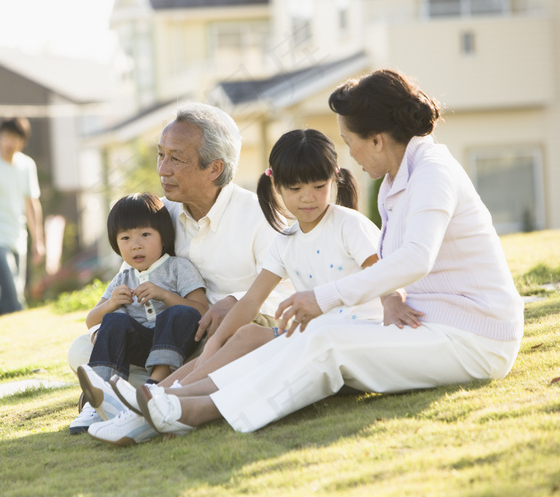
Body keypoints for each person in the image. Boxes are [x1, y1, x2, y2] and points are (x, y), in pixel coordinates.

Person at [134, 69, 524, 436]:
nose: (348, 152)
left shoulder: (433, 172)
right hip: (428, 323)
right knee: (313, 333)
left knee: (328, 340)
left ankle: (196, 411)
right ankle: (173, 397)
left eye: (350, 139)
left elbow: (416, 259)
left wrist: (322, 299)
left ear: (376, 139)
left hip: (476, 337)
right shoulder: (396, 179)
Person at [91, 128, 421, 446]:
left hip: (350, 334)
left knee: (243, 352)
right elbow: (251, 302)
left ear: (334, 179)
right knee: (244, 334)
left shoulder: (348, 225)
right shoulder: (287, 239)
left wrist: (393, 300)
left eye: (318, 186)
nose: (307, 198)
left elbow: (383, 271)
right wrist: (215, 343)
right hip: (311, 335)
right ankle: (156, 397)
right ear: (276, 186)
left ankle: (156, 403)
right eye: (294, 189)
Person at [67, 102, 293, 436]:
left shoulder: (259, 216)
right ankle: (133, 397)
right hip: (170, 340)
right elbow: (129, 272)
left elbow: (292, 287)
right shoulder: (160, 214)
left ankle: (143, 399)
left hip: (230, 339)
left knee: (242, 345)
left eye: (176, 158)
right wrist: (114, 314)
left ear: (214, 168)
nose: (163, 169)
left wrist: (235, 300)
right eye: (161, 155)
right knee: (83, 348)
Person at [75, 192, 209, 419]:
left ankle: (155, 385)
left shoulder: (177, 267)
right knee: (114, 320)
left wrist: (164, 295)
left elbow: (201, 311)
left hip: (178, 343)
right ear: (116, 244)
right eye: (125, 238)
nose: (135, 246)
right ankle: (99, 396)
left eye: (145, 235)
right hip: (140, 346)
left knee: (179, 312)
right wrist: (111, 305)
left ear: (163, 237)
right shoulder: (122, 278)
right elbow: (91, 320)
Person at [0, 117, 45, 317]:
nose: (8, 143)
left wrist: (38, 241)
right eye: (4, 137)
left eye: (13, 138)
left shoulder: (27, 165)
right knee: (13, 295)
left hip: (17, 238)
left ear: (22, 141)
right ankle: (26, 329)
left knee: (10, 295)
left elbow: (32, 204)